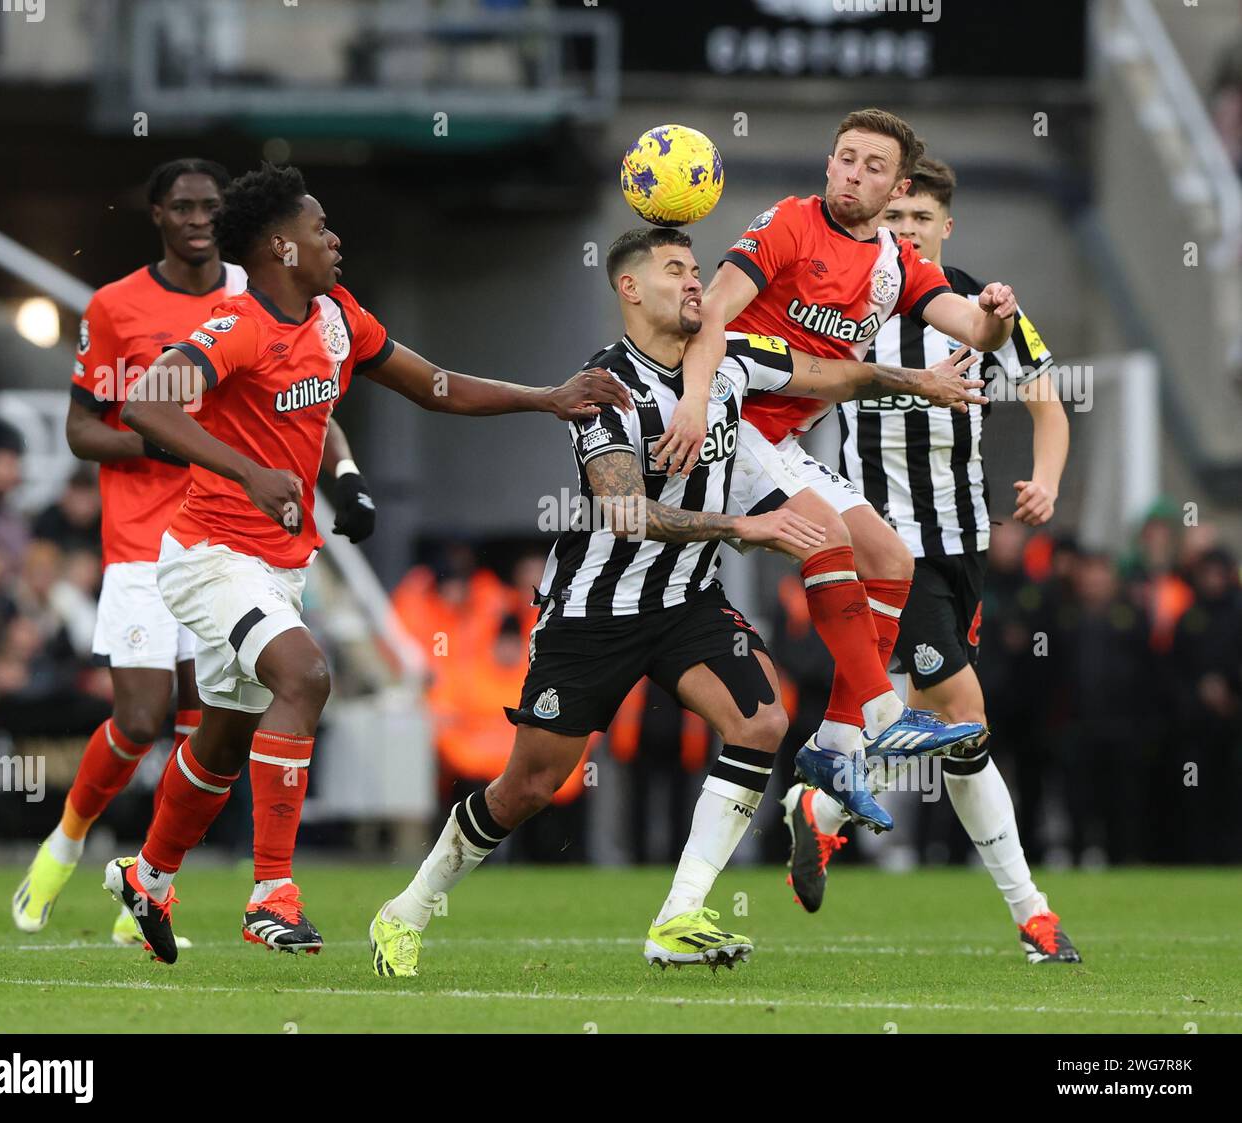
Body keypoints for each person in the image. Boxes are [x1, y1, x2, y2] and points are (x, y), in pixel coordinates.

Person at [369, 226, 986, 978]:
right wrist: (742, 525)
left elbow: (829, 375)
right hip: (595, 611)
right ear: (628, 288)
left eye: (697, 270)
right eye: (674, 271)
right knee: (529, 785)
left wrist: (915, 381)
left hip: (686, 600)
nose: (695, 283)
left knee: (762, 721)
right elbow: (625, 511)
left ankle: (679, 914)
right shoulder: (602, 387)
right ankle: (408, 907)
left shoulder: (727, 358)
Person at [111, 162, 633, 964]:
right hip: (211, 553)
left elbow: (436, 386)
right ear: (281, 246)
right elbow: (146, 402)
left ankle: (146, 876)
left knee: (222, 738)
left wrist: (548, 397)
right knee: (306, 675)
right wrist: (247, 471)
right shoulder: (236, 324)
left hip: (279, 561)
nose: (335, 238)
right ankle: (271, 895)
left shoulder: (337, 317)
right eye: (321, 228)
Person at [12, 158, 380, 954]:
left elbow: (309, 405)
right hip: (162, 540)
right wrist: (209, 450)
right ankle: (68, 843)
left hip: (252, 536)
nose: (198, 219)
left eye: (210, 206)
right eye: (181, 206)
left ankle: (147, 876)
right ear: (155, 215)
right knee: (149, 714)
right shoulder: (118, 306)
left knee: (214, 728)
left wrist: (341, 476)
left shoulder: (267, 300)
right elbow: (89, 425)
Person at [651, 108, 1021, 826]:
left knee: (889, 557)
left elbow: (975, 327)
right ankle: (882, 714)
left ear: (896, 185)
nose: (854, 173)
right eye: (846, 158)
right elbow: (713, 316)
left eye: (872, 165)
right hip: (730, 421)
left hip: (781, 441)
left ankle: (833, 745)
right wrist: (694, 402)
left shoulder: (894, 265)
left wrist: (998, 312)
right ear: (829, 164)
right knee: (825, 535)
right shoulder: (789, 222)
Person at [781, 155, 1080, 964]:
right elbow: (793, 393)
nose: (905, 230)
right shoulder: (851, 302)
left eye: (921, 220)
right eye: (896, 218)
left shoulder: (987, 309)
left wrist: (1045, 483)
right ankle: (1033, 915)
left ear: (945, 227)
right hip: (889, 549)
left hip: (963, 549)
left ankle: (823, 804)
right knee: (963, 713)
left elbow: (1048, 408)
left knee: (952, 729)